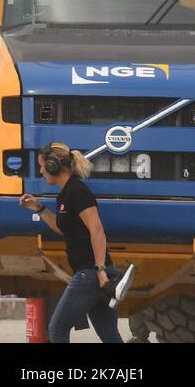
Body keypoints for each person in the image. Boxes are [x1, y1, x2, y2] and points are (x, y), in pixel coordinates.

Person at [20, 142, 125, 343]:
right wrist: (40, 209)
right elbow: (64, 229)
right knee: (110, 335)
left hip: (90, 273)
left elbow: (97, 230)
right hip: (92, 274)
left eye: (42, 165)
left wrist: (101, 271)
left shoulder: (77, 192)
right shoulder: (66, 194)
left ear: (53, 166)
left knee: (57, 329)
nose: (40, 170)